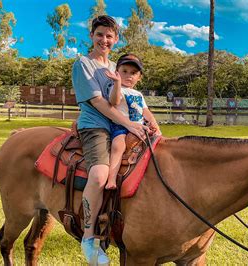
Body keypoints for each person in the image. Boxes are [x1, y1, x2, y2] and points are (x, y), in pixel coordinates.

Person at [72, 15, 148, 264]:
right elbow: (98, 103)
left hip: (120, 126)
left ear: (115, 39)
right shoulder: (83, 64)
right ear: (92, 36)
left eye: (109, 36)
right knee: (99, 175)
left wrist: (150, 124)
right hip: (96, 126)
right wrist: (128, 124)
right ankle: (89, 237)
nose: (104, 40)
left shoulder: (117, 67)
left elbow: (132, 99)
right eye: (99, 34)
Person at [104, 53, 161, 189]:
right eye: (124, 71)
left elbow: (145, 111)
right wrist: (117, 83)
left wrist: (154, 124)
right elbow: (114, 101)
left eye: (133, 73)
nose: (129, 75)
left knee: (157, 144)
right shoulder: (117, 88)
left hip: (140, 127)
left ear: (139, 77)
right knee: (118, 146)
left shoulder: (138, 94)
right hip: (121, 126)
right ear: (116, 72)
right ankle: (111, 179)